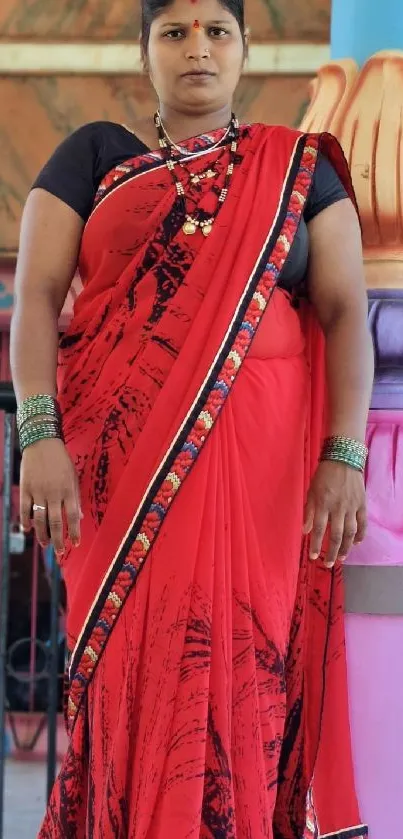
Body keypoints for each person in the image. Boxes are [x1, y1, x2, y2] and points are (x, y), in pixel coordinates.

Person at [10, 0, 373, 836]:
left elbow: (346, 309)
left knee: (247, 672)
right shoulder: (94, 155)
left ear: (247, 51)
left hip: (264, 480)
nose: (197, 50)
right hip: (121, 474)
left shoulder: (297, 170)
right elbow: (32, 297)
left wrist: (343, 454)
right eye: (173, 33)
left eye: (217, 31)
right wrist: (39, 432)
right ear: (145, 54)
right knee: (128, 671)